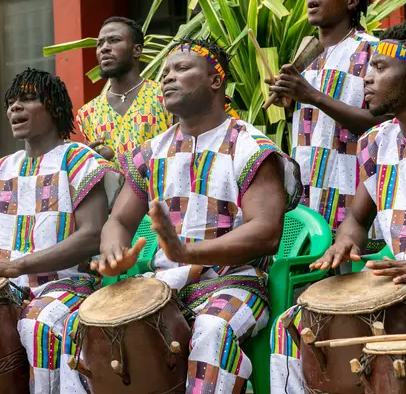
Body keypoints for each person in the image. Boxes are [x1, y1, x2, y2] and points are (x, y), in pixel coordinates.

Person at [72, 39, 301, 393]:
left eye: (181, 69)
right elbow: (118, 222)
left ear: (215, 80)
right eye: (165, 72)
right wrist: (114, 254)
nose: (167, 78)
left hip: (235, 283)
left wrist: (188, 252)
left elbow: (267, 231)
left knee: (212, 330)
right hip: (164, 288)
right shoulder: (151, 152)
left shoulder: (251, 146)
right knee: (83, 330)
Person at [0, 68, 120, 394]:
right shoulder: (0, 169)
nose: (14, 108)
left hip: (65, 284)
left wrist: (18, 265)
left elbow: (92, 233)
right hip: (4, 286)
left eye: (27, 100)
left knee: (38, 324)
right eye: (11, 102)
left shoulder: (78, 160)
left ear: (54, 108)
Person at [270, 21, 406, 392]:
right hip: (398, 282)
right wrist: (345, 241)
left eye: (381, 68)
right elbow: (356, 218)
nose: (368, 78)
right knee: (294, 325)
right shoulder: (378, 143)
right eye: (369, 68)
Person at [269, 0, 390, 236]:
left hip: (358, 195)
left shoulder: (372, 51)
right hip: (312, 195)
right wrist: (288, 103)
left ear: (352, 1)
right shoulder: (307, 57)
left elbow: (384, 125)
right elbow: (317, 126)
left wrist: (311, 96)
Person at [75, 17, 173, 162]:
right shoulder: (87, 114)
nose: (104, 48)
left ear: (136, 50)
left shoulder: (165, 96)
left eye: (114, 40)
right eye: (100, 44)